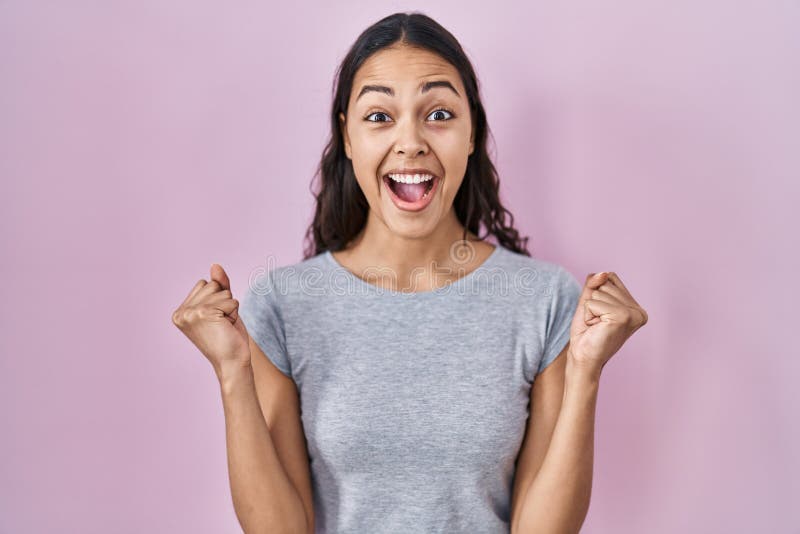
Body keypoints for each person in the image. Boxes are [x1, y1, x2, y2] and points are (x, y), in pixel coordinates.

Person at [171, 11, 648, 534]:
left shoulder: (546, 299)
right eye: (380, 116)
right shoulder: (285, 305)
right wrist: (231, 372)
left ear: (472, 134)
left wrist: (585, 372)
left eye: (439, 114)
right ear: (347, 137)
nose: (411, 141)